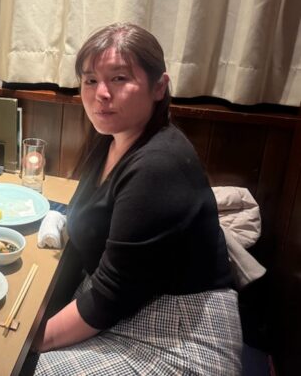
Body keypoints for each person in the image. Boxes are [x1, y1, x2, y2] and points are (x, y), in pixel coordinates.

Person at [25, 23, 242, 375]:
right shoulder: (111, 139)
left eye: (119, 78)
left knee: (25, 366)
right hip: (130, 302)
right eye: (90, 80)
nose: (101, 93)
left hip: (180, 332)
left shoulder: (159, 165)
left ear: (159, 87)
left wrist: (29, 343)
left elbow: (110, 297)